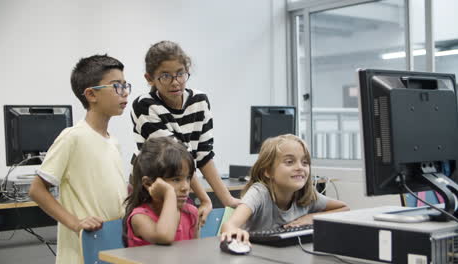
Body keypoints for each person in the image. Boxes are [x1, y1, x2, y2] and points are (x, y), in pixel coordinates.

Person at [28, 54, 130, 263]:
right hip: (82, 250)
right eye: (116, 86)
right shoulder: (72, 137)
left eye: (125, 85)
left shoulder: (114, 142)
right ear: (91, 94)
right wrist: (76, 223)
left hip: (110, 242)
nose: (124, 92)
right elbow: (37, 190)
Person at [130, 40, 239, 226]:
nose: (175, 82)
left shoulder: (199, 101)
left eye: (180, 74)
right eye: (165, 76)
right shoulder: (145, 106)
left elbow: (204, 156)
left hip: (183, 188)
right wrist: (205, 199)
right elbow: (177, 160)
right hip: (155, 194)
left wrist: (228, 200)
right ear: (150, 78)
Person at [220, 134, 349, 244]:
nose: (300, 167)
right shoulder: (259, 192)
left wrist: (310, 218)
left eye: (305, 162)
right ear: (268, 171)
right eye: (289, 162)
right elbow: (229, 225)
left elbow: (344, 209)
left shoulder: (306, 196)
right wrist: (233, 231)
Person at [124, 137, 199, 246]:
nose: (185, 187)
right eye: (176, 179)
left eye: (188, 178)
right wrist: (170, 194)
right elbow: (164, 236)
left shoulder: (191, 213)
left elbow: (195, 254)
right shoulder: (139, 217)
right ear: (149, 184)